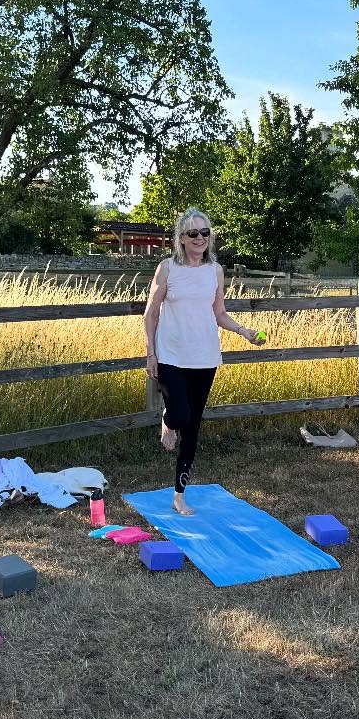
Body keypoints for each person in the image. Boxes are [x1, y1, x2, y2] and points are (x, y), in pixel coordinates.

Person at [143, 208, 264, 516]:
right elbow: (151, 313)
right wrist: (151, 353)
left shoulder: (215, 271)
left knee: (193, 426)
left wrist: (243, 331)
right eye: (193, 233)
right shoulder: (167, 269)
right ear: (181, 239)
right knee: (180, 414)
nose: (200, 238)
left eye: (205, 232)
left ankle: (179, 494)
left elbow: (218, 311)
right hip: (170, 354)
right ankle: (168, 420)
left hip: (205, 356)